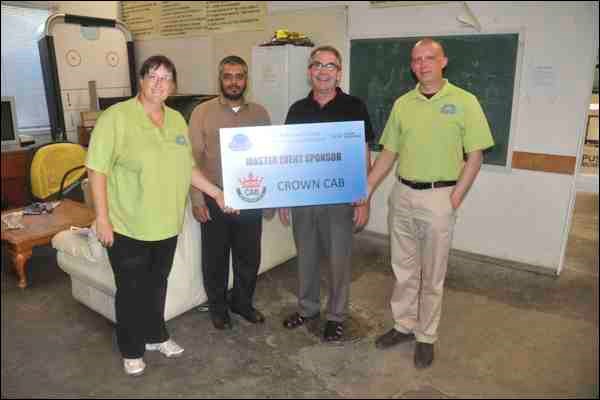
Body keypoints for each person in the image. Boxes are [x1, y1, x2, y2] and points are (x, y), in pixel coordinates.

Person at [87, 55, 231, 376]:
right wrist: (102, 218)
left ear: (174, 85)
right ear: (140, 80)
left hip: (166, 224)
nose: (159, 83)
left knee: (158, 285)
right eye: (153, 76)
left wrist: (217, 193)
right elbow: (97, 169)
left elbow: (188, 168)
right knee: (131, 290)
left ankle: (156, 335)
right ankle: (131, 347)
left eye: (166, 77)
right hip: (127, 226)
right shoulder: (117, 117)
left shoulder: (178, 120)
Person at [363, 38, 494, 368]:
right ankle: (404, 326)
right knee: (403, 268)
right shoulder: (402, 103)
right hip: (402, 193)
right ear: (411, 65)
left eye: (429, 58)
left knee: (433, 274)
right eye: (416, 59)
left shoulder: (465, 101)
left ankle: (426, 336)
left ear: (443, 61)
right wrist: (365, 188)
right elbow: (389, 153)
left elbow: (475, 156)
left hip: (440, 196)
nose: (422, 65)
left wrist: (454, 198)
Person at [278, 45, 374, 343]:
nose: (323, 71)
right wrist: (285, 196)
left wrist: (364, 197)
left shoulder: (354, 106)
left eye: (330, 66)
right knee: (305, 255)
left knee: (338, 259)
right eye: (317, 65)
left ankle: (336, 315)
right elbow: (288, 155)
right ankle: (308, 310)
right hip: (304, 198)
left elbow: (363, 152)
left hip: (340, 199)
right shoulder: (297, 109)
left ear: (339, 72)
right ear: (310, 72)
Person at [188, 55, 271, 330]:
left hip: (251, 195)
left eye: (239, 76)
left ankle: (242, 303)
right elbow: (192, 158)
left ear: (246, 80)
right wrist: (198, 198)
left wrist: (269, 198)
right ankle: (218, 307)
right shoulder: (202, 112)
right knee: (215, 257)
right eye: (228, 76)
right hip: (215, 197)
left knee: (249, 255)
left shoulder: (260, 114)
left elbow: (267, 157)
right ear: (220, 79)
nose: (234, 82)